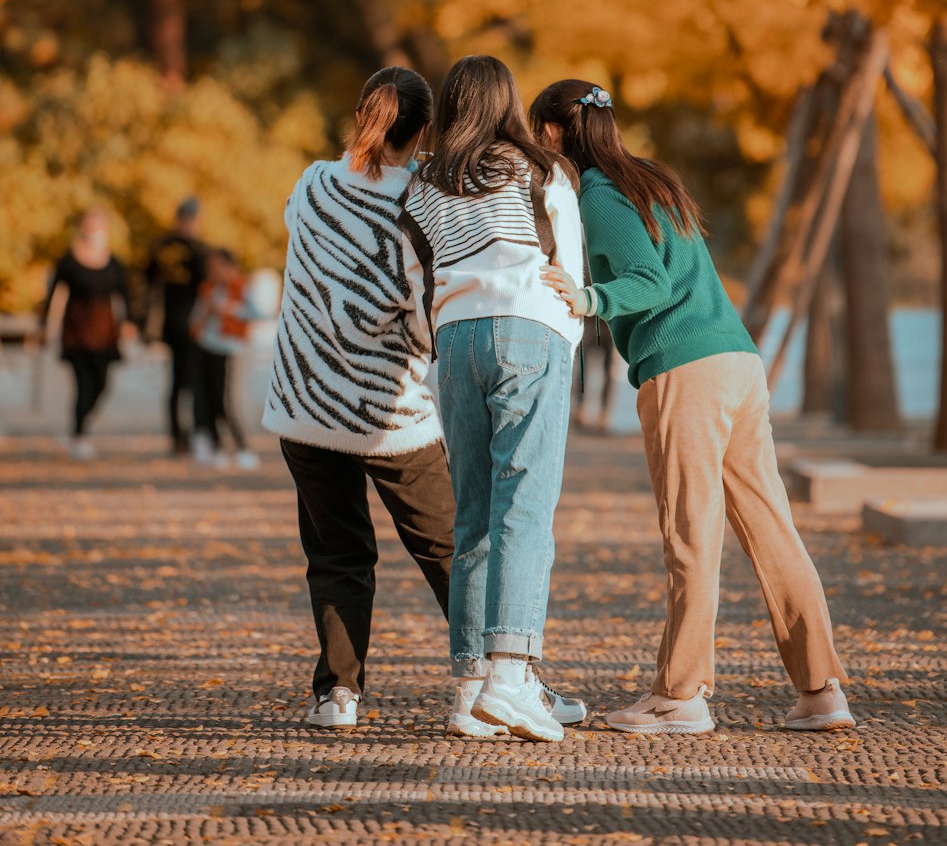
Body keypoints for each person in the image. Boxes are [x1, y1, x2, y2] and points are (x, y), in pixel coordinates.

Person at [532, 79, 855, 736]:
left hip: (686, 371)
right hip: (738, 363)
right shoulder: (651, 179)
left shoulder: (599, 196)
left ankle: (681, 696)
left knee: (690, 538)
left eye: (538, 134)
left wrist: (587, 299)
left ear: (556, 133)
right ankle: (822, 693)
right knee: (772, 532)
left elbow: (647, 283)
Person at [262, 67, 463, 731]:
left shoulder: (314, 182)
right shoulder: (422, 203)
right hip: (386, 415)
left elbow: (306, 239)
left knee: (338, 554)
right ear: (425, 130)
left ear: (361, 114)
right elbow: (422, 322)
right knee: (448, 549)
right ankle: (490, 681)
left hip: (303, 404)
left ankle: (337, 695)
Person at [402, 55, 587, 743]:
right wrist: (566, 331)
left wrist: (441, 334)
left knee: (473, 512)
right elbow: (569, 269)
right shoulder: (539, 170)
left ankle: (471, 687)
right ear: (507, 101)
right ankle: (511, 675)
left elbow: (413, 273)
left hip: (455, 342)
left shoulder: (425, 181)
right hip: (527, 331)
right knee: (527, 505)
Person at [40, 207, 138, 459]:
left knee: (101, 385)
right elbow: (52, 295)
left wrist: (129, 322)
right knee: (83, 385)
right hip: (76, 334)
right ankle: (78, 434)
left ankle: (79, 429)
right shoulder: (69, 261)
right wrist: (44, 325)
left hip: (105, 335)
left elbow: (125, 294)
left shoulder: (114, 263)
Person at [189, 249, 262, 470]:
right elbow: (195, 319)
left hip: (231, 350)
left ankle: (242, 447)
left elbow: (257, 313)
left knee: (228, 401)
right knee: (209, 398)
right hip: (207, 348)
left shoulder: (241, 287)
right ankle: (218, 446)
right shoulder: (208, 289)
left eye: (219, 266)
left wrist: (228, 309)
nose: (214, 271)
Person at [145, 198, 207, 453]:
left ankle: (181, 436)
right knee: (189, 382)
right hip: (189, 324)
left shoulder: (162, 246)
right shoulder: (198, 249)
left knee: (180, 383)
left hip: (176, 323)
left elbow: (149, 287)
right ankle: (186, 435)